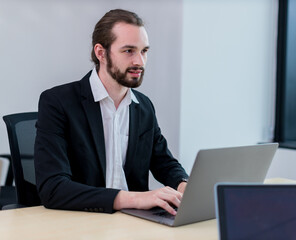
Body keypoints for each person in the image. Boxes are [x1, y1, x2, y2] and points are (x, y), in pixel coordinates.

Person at [34, 9, 188, 215]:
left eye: (144, 51)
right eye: (128, 51)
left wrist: (184, 186)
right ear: (101, 53)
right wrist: (135, 198)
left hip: (133, 222)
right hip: (82, 220)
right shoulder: (58, 102)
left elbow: (164, 162)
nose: (139, 62)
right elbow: (53, 188)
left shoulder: (143, 106)